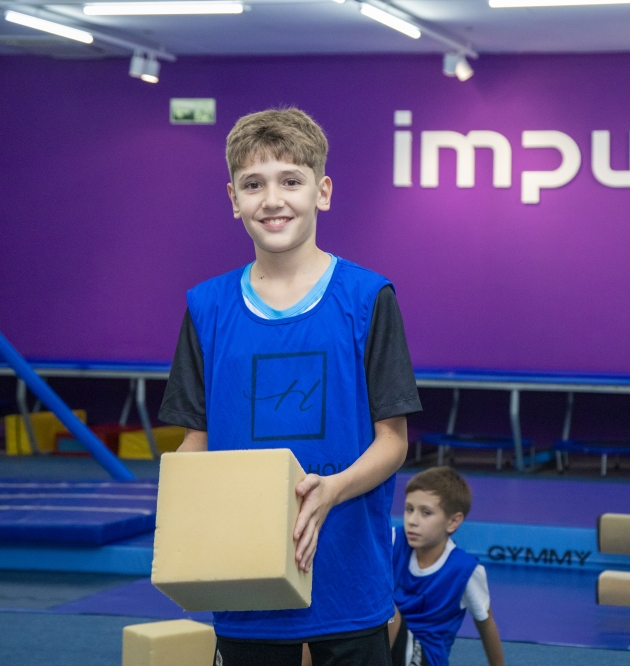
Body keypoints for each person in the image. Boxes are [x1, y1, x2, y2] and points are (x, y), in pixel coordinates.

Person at [158, 107, 422, 666]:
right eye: (253, 184)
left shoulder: (368, 298)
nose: (272, 199)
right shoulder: (206, 307)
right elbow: (194, 443)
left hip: (347, 581)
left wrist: (333, 490)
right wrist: (185, 531)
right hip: (244, 582)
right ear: (233, 199)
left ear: (322, 192)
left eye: (290, 181)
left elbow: (393, 440)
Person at [388, 467, 504, 666]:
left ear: (453, 522)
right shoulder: (392, 539)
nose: (412, 521)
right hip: (386, 648)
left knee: (383, 607)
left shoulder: (465, 570)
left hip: (425, 657)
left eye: (426, 513)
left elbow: (486, 625)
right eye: (409, 509)